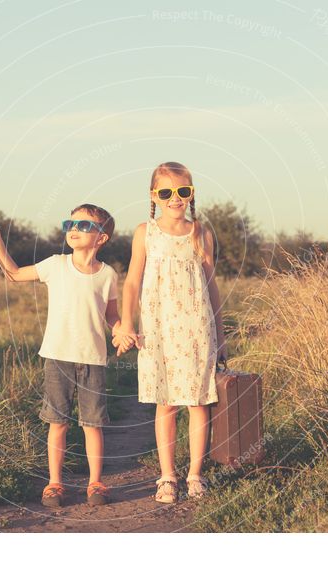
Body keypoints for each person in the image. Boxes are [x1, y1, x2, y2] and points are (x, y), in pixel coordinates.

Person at [0, 204, 120, 508]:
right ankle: (54, 483)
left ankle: (95, 482)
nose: (74, 229)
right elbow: (15, 275)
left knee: (92, 424)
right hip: (57, 356)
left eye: (84, 225)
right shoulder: (56, 264)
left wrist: (122, 330)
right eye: (71, 223)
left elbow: (112, 316)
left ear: (102, 238)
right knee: (57, 422)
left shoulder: (108, 275)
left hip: (93, 358)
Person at [114, 161, 227, 503]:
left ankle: (195, 474)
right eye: (166, 192)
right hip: (158, 327)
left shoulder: (201, 233)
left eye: (183, 191)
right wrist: (128, 322)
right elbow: (132, 281)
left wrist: (221, 335)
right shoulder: (144, 232)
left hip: (196, 327)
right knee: (165, 402)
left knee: (196, 401)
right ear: (154, 196)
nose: (175, 198)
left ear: (191, 194)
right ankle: (167, 476)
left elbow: (211, 285)